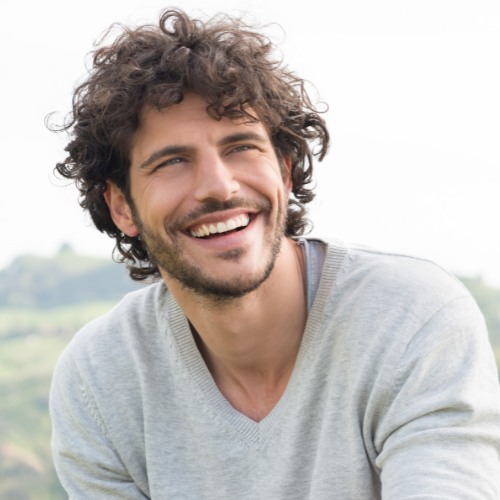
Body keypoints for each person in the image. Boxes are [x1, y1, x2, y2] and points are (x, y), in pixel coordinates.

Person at [49, 8, 500, 499]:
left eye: (241, 146)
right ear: (121, 207)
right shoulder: (99, 379)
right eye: (173, 161)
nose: (220, 186)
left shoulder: (411, 318)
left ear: (284, 172)